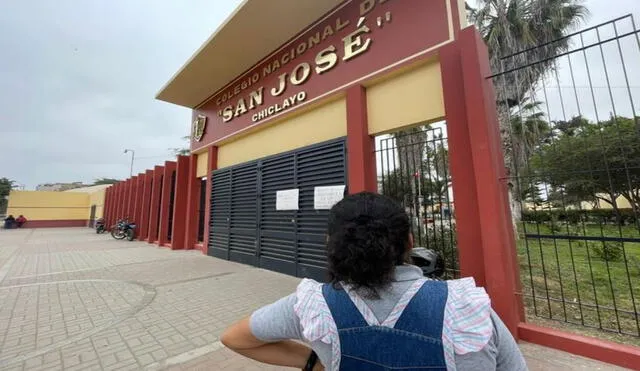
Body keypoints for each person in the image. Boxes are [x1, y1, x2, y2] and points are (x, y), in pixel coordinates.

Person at [221, 192, 528, 371]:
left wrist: (313, 362)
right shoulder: (468, 311)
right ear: (409, 242)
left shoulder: (313, 309)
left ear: (330, 245)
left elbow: (234, 338)